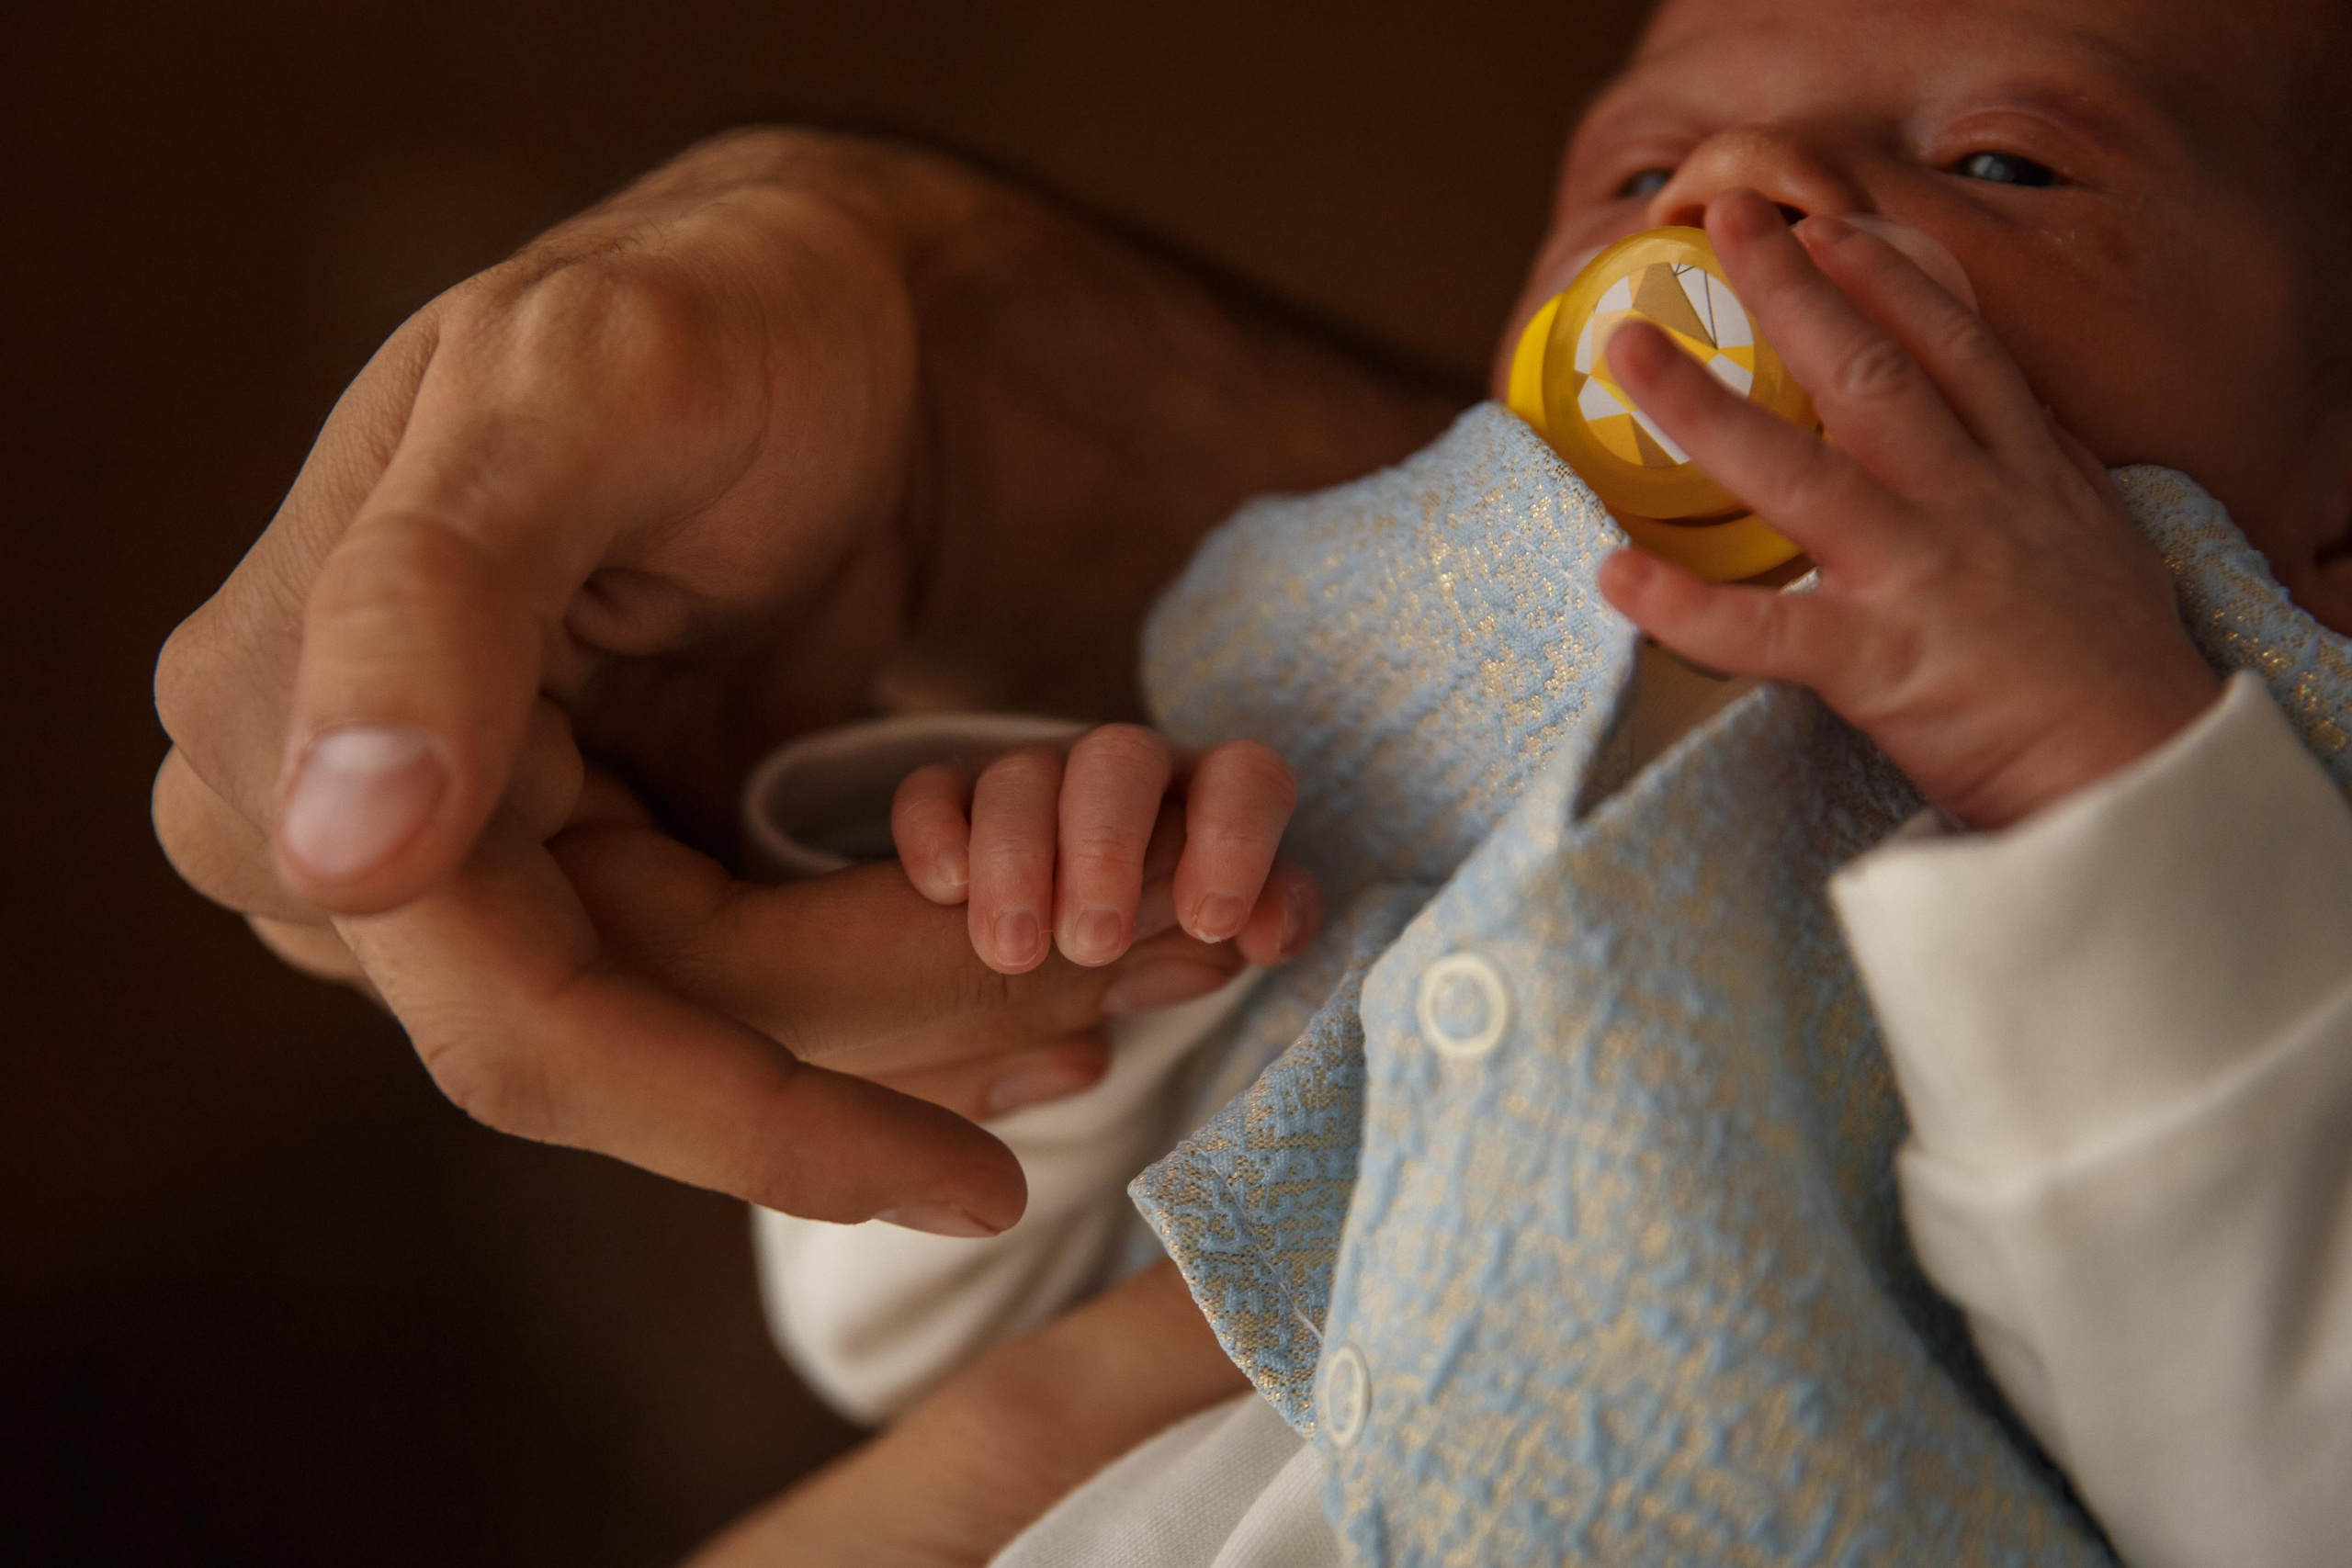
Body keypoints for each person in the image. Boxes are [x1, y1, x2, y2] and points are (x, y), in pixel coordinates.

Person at [153, 0, 2352, 1561]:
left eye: (1999, 162)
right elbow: (932, 1306)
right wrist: (1067, 967)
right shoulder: (1417, 664)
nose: (1747, 193)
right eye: (1638, 170)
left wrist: (2097, 783)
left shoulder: (2267, 865)